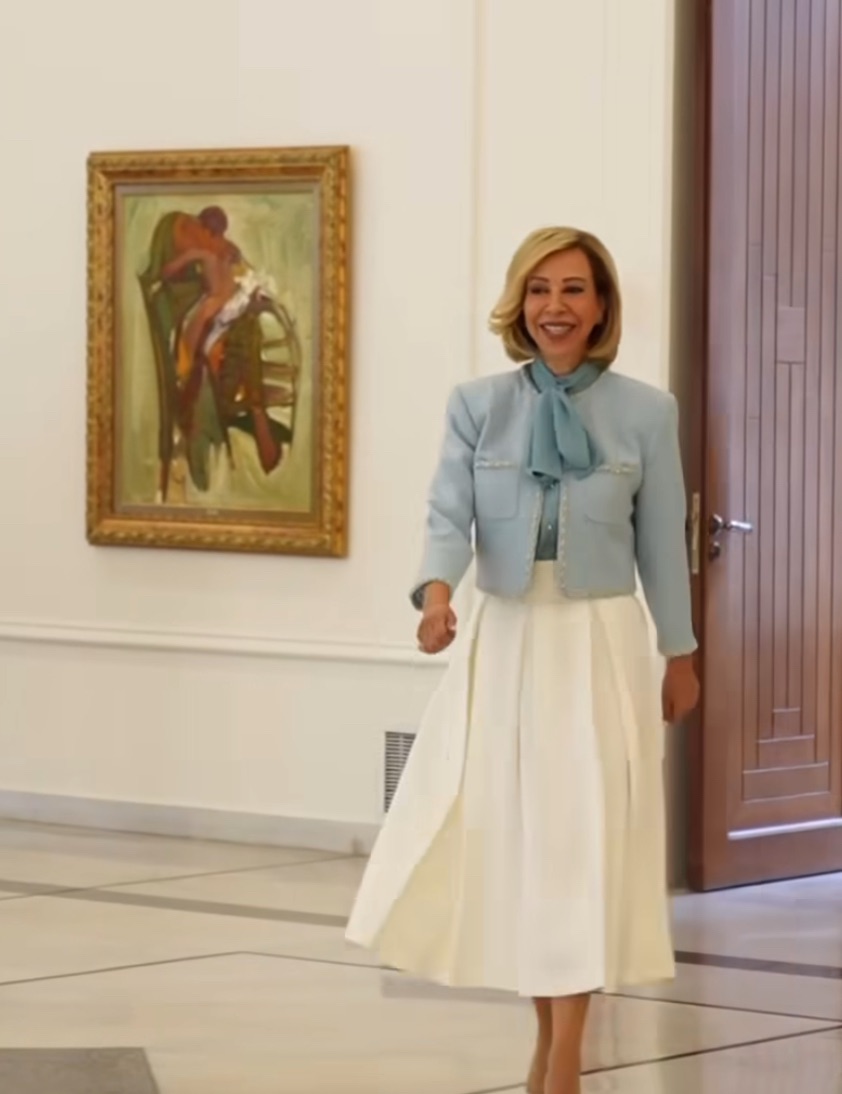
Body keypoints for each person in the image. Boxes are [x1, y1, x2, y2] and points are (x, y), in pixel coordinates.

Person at [345, 226, 700, 1094]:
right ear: (519, 303)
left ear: (602, 306)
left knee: (584, 844)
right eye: (540, 289)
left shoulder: (648, 412)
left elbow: (663, 545)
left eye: (574, 289)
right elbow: (447, 513)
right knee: (525, 848)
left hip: (600, 643)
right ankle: (547, 1043)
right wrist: (436, 596)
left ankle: (566, 1058)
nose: (555, 307)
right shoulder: (478, 405)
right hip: (504, 641)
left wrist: (680, 653)